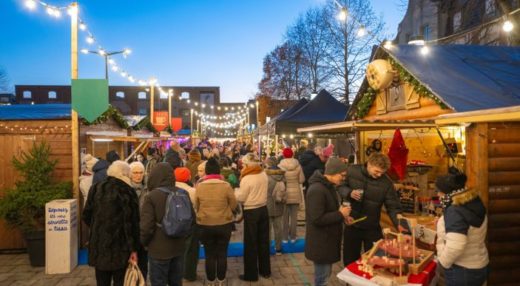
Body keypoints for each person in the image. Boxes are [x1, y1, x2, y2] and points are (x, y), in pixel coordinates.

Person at [83, 160, 140, 286]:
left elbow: (86, 215)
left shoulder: (96, 188)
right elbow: (132, 224)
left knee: (102, 281)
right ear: (124, 174)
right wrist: (134, 249)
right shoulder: (128, 191)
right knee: (120, 281)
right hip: (120, 248)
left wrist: (98, 228)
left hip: (99, 247)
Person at [341, 152, 404, 266]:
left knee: (375, 259)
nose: (379, 175)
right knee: (350, 259)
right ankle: (350, 282)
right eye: (377, 171)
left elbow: (393, 207)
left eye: (382, 172)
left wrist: (401, 225)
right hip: (351, 223)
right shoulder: (352, 171)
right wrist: (349, 193)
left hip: (372, 227)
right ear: (369, 165)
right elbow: (340, 186)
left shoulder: (387, 183)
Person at [435, 170, 488, 286]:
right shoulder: (473, 202)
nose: (438, 195)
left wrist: (442, 264)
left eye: (439, 191)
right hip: (480, 265)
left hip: (462, 270)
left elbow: (456, 246)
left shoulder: (455, 211)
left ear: (448, 193)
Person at [305, 157, 352, 286]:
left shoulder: (329, 186)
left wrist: (343, 216)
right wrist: (340, 214)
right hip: (321, 243)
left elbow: (329, 209)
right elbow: (317, 218)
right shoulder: (317, 190)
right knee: (322, 280)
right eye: (342, 175)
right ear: (332, 172)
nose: (343, 178)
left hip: (327, 241)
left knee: (324, 276)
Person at [140, 162, 187, 286]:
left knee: (158, 282)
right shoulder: (182, 193)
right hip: (178, 247)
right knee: (176, 282)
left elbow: (146, 227)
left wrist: (143, 243)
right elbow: (190, 220)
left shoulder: (151, 196)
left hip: (158, 249)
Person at [196, 157, 238, 286]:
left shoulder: (200, 186)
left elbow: (196, 205)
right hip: (224, 224)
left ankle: (210, 280)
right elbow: (234, 204)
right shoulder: (226, 186)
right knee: (222, 253)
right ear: (218, 171)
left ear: (207, 172)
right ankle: (221, 280)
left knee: (209, 254)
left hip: (205, 225)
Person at [235, 153, 271, 282]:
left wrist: (235, 192)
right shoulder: (263, 174)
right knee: (263, 241)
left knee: (251, 243)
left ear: (247, 165)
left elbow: (242, 197)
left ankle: (251, 275)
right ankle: (265, 270)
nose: (242, 167)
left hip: (251, 211)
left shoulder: (247, 178)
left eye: (243, 165)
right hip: (263, 209)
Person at [174, 167, 199, 282]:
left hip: (174, 223)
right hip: (189, 223)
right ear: (188, 177)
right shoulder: (192, 191)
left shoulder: (170, 189)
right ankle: (189, 274)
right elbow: (197, 206)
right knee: (190, 249)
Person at [278, 147, 305, 243]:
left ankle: (285, 238)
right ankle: (293, 237)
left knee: (284, 217)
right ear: (292, 154)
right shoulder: (298, 165)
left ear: (284, 155)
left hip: (284, 194)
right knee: (294, 218)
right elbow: (302, 180)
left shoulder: (280, 166)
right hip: (296, 193)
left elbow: (279, 180)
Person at [129, 161, 148, 280]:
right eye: (135, 173)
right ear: (130, 174)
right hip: (130, 232)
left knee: (143, 264)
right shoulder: (125, 189)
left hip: (143, 231)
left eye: (141, 172)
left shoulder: (148, 189)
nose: (138, 175)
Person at [264, 156, 286, 255]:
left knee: (267, 228)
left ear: (268, 164)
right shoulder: (282, 175)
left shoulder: (265, 175)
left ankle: (267, 248)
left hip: (267, 204)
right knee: (278, 228)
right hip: (279, 203)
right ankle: (278, 249)